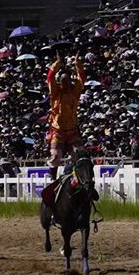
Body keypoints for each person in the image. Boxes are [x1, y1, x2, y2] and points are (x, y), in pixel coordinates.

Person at [45, 52, 86, 180]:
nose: (66, 83)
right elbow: (49, 79)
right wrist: (57, 63)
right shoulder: (56, 94)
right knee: (56, 155)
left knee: (79, 154)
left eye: (68, 80)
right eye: (63, 81)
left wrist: (78, 64)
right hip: (58, 131)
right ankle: (52, 178)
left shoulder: (75, 93)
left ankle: (78, 178)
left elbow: (81, 79)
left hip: (72, 131)